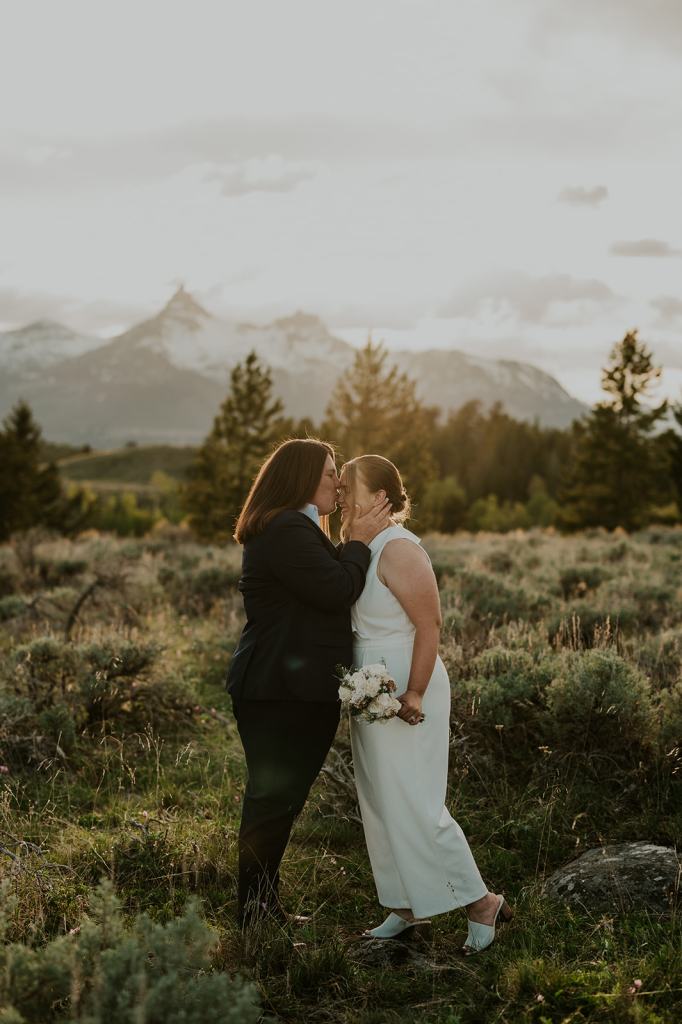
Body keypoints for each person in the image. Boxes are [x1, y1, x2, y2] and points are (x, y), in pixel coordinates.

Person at [337, 454, 513, 955]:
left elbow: (430, 625)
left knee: (414, 799)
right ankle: (404, 904)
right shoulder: (357, 547)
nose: (343, 494)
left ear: (380, 497)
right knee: (379, 797)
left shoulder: (398, 548)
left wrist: (414, 690)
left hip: (403, 686)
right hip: (367, 686)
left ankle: (482, 902)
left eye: (351, 486)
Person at [227, 438, 391, 928]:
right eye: (327, 473)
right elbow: (336, 588)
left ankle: (262, 908)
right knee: (272, 803)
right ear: (299, 478)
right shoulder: (285, 528)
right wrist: (358, 541)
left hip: (290, 688)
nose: (337, 482)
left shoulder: (294, 526)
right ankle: (254, 917)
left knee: (280, 803)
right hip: (279, 690)